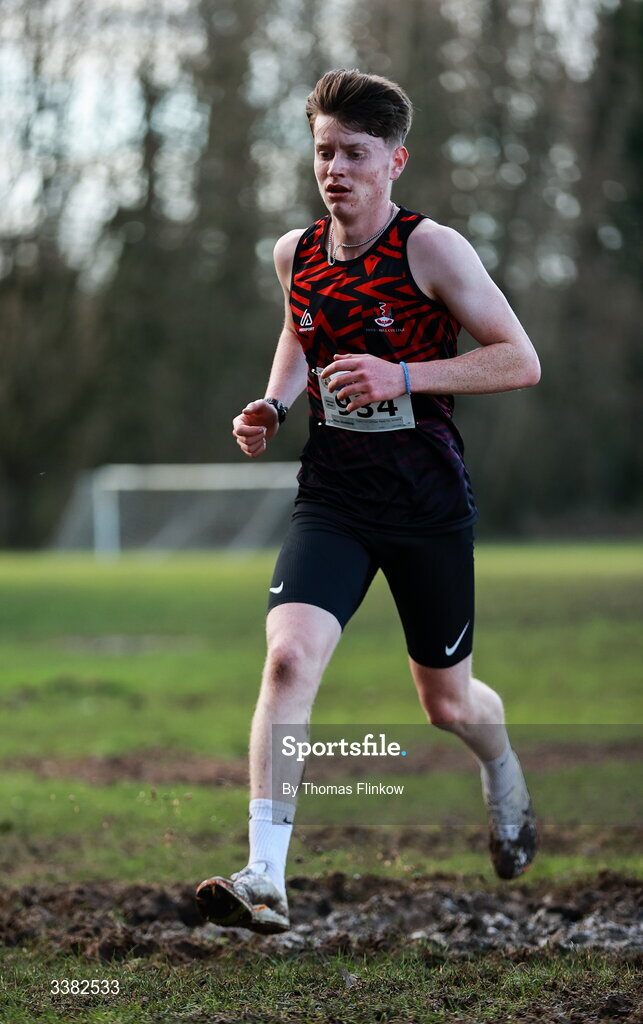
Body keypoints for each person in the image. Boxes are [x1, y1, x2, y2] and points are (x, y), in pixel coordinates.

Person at [196, 69, 541, 935]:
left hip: (426, 501)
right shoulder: (296, 254)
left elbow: (519, 359)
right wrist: (274, 402)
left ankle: (503, 777)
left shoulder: (433, 250)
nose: (335, 169)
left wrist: (406, 373)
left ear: (395, 161)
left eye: (354, 153)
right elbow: (297, 329)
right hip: (335, 497)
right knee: (286, 663)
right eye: (323, 152)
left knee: (447, 705)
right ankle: (265, 876)